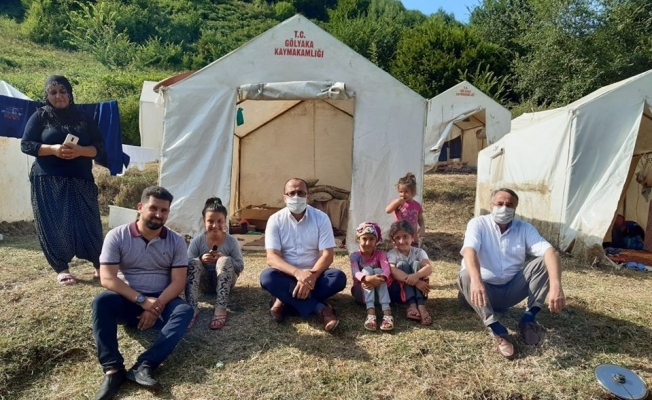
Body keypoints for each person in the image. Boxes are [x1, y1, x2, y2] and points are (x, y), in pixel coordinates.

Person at [91, 186, 193, 400]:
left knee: (184, 311)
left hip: (163, 299)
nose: (158, 214)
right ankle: (113, 369)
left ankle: (144, 365)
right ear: (140, 207)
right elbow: (107, 278)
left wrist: (156, 306)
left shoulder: (176, 241)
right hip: (129, 299)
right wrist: (141, 300)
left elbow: (178, 281)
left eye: (164, 210)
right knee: (102, 302)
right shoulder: (117, 236)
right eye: (153, 208)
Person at [458, 188, 566, 359]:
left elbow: (550, 252)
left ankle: (528, 319)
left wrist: (556, 286)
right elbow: (469, 251)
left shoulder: (524, 228)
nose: (504, 208)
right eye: (499, 204)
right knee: (466, 275)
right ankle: (497, 330)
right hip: (480, 293)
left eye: (509, 205)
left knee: (545, 261)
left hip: (510, 290)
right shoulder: (478, 224)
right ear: (491, 205)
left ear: (515, 208)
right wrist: (477, 282)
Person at [21, 75, 107, 285]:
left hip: (81, 177)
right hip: (48, 179)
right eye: (53, 92)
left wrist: (80, 151)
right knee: (55, 223)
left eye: (62, 91)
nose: (58, 96)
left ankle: (99, 266)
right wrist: (53, 149)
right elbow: (26, 145)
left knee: (90, 221)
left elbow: (99, 146)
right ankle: (62, 268)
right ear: (47, 95)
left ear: (69, 94)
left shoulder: (84, 118)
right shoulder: (40, 116)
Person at [260, 178, 347, 332]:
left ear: (308, 196)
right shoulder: (275, 220)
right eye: (291, 193)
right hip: (286, 275)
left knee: (338, 278)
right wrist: (297, 273)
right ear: (284, 197)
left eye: (300, 193)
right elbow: (272, 257)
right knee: (267, 277)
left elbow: (327, 255)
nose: (296, 197)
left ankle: (283, 300)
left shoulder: (321, 218)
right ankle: (321, 309)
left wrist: (310, 277)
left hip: (314, 275)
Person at [185, 197, 245, 330]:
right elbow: (186, 265)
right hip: (204, 284)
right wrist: (200, 259)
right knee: (193, 262)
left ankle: (221, 308)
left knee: (225, 260)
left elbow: (240, 266)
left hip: (225, 283)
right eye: (210, 221)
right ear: (204, 222)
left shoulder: (231, 241)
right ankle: (192, 308)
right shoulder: (197, 241)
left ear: (225, 222)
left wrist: (224, 258)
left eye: (220, 221)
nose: (215, 225)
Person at [387, 220, 433, 326]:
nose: (402, 241)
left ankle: (421, 306)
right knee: (402, 265)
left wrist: (416, 276)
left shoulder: (418, 252)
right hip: (399, 292)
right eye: (397, 238)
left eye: (405, 236)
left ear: (412, 237)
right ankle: (412, 305)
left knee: (417, 264)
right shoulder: (392, 254)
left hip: (420, 291)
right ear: (393, 241)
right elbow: (392, 270)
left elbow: (428, 268)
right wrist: (417, 282)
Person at [350, 222, 394, 331]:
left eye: (371, 239)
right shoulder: (355, 256)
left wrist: (380, 278)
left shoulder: (381, 254)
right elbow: (355, 271)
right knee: (367, 270)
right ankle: (370, 312)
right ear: (358, 240)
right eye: (364, 239)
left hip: (379, 293)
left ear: (376, 241)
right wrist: (367, 278)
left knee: (379, 270)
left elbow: (386, 269)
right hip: (361, 293)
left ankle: (387, 313)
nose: (368, 242)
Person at [385, 172, 425, 245]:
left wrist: (422, 227)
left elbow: (420, 219)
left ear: (413, 192)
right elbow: (387, 210)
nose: (403, 194)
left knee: (412, 252)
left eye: (406, 192)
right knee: (399, 252)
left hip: (412, 237)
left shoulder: (417, 205)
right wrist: (397, 202)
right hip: (399, 236)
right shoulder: (397, 203)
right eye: (401, 192)